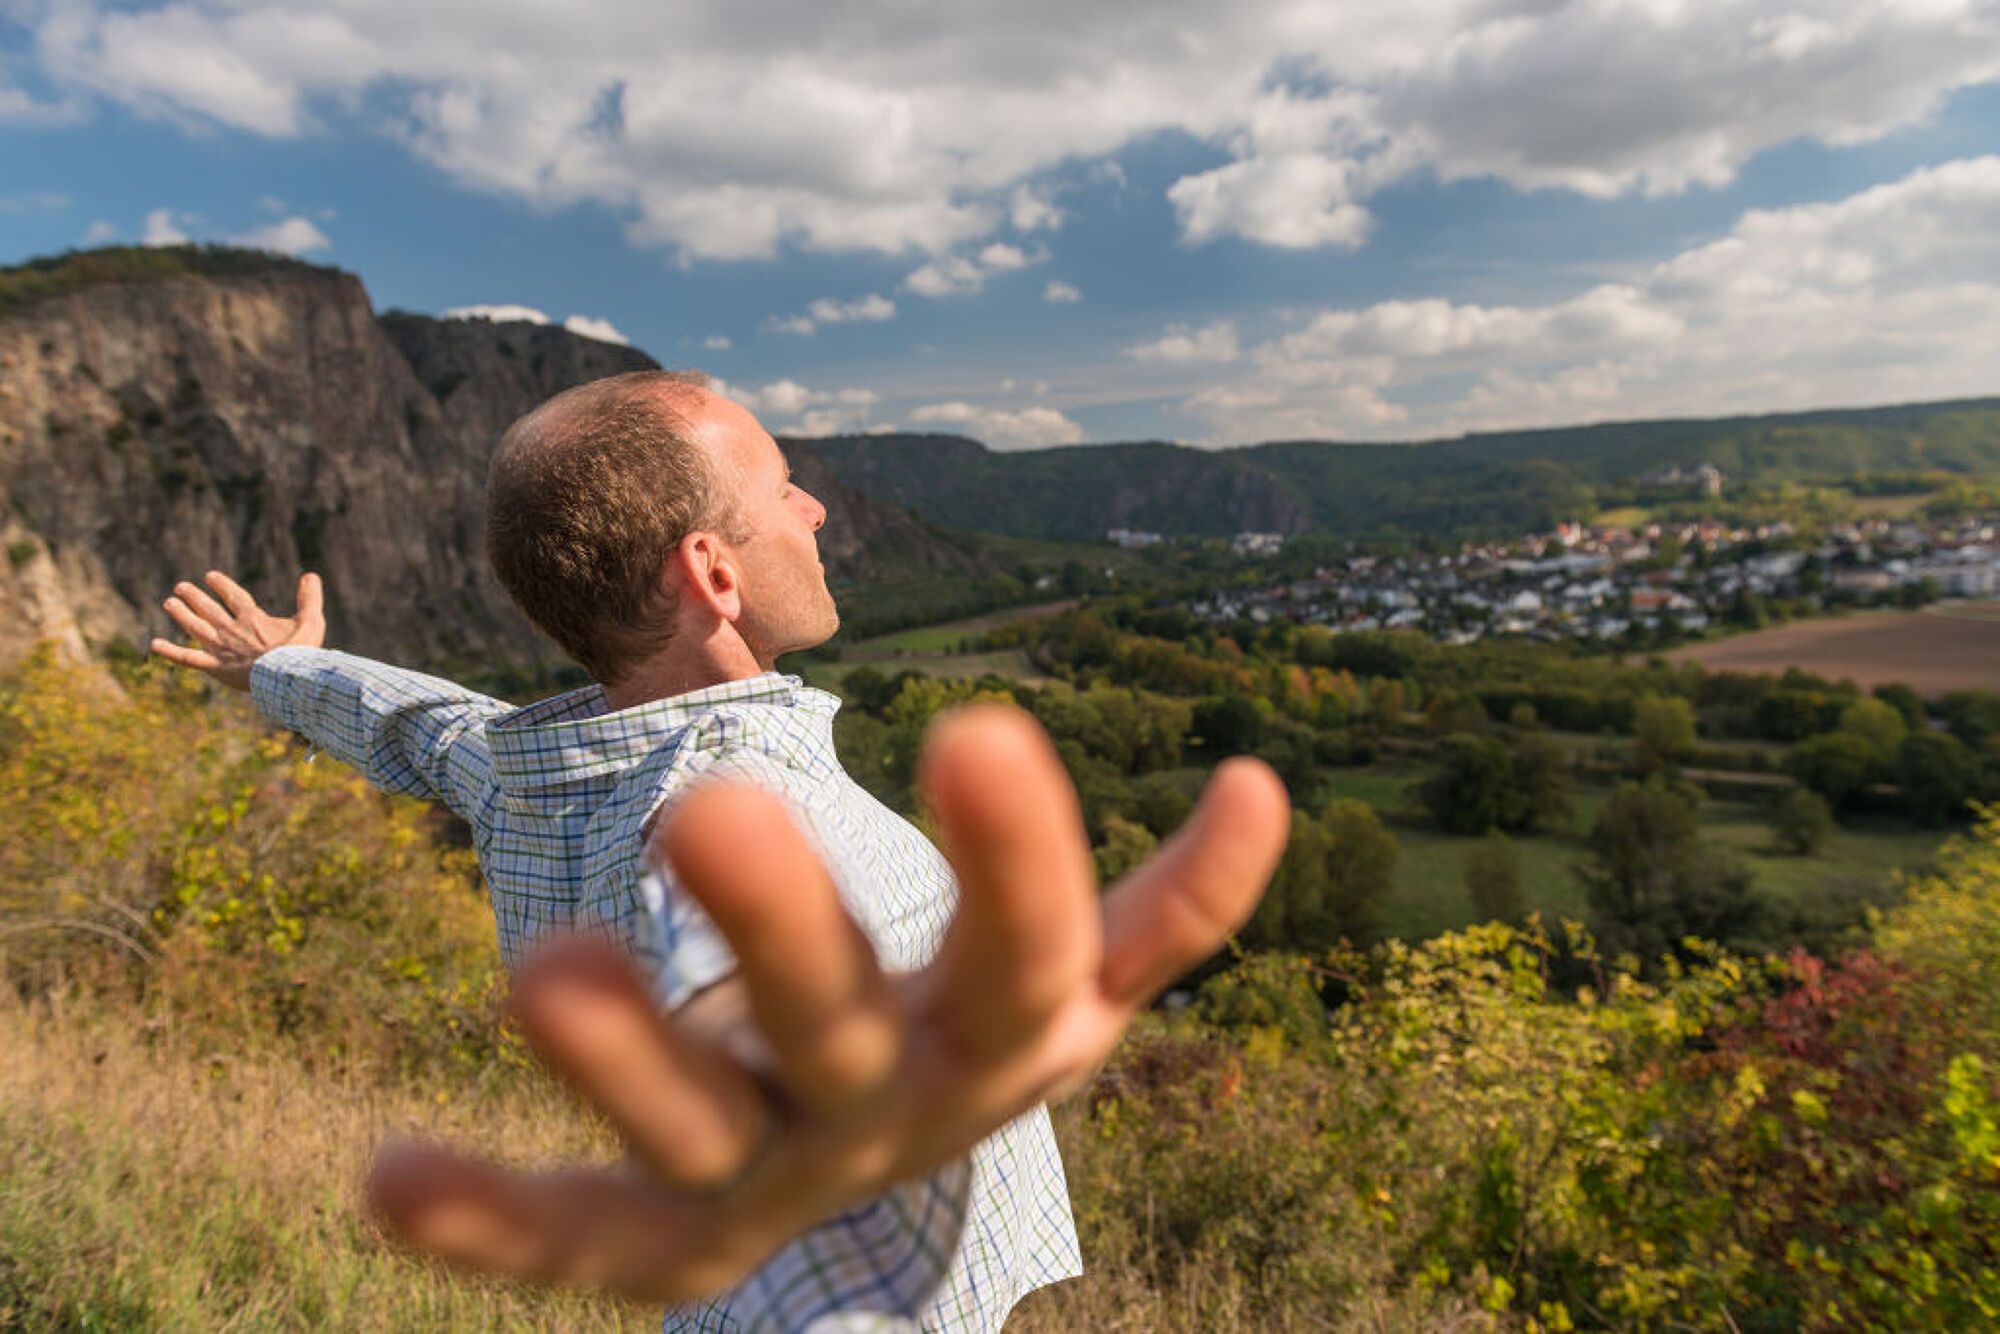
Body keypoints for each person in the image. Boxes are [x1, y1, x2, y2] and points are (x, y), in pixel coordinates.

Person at [151, 371, 1288, 1330]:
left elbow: (422, 725)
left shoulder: (525, 769)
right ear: (711, 572)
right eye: (782, 487)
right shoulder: (738, 813)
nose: (815, 509)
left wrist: (286, 668)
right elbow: (726, 944)